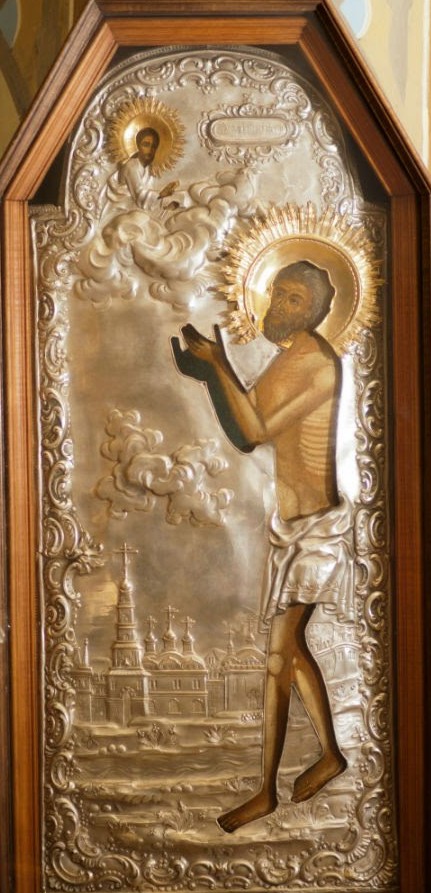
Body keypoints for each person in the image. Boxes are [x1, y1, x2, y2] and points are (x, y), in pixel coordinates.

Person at [174, 260, 352, 832]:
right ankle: (328, 756)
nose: (280, 305)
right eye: (278, 293)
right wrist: (210, 374)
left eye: (295, 299)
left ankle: (266, 791)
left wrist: (217, 366)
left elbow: (252, 430)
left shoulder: (315, 363)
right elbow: (244, 427)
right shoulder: (288, 356)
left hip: (317, 530)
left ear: (318, 311)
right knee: (289, 651)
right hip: (290, 526)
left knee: (279, 655)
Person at [111, 127, 178, 210]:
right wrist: (161, 195)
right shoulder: (131, 166)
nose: (150, 150)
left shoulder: (148, 167)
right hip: (122, 208)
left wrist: (166, 194)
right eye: (146, 145)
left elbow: (149, 190)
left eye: (154, 146)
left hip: (140, 207)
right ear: (137, 146)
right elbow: (139, 195)